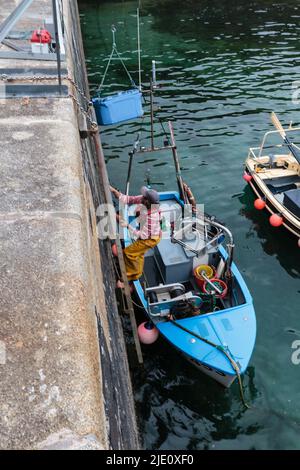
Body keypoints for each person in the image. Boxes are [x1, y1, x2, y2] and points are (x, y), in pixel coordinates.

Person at [110, 185, 161, 282]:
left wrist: (127, 225)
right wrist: (114, 191)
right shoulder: (143, 200)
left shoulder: (152, 217)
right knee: (138, 253)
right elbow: (129, 199)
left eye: (144, 197)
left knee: (129, 253)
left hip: (150, 238)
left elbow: (143, 235)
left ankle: (128, 277)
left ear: (147, 201)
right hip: (147, 232)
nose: (141, 197)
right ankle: (137, 272)